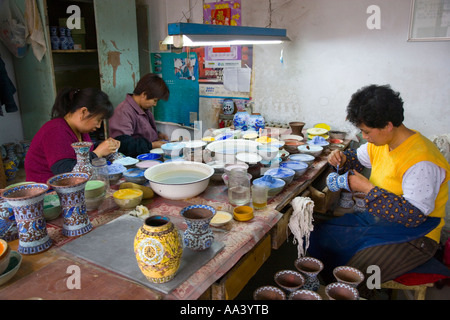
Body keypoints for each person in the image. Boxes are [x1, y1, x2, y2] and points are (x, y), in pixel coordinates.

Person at [308, 84, 450, 296]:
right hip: (379, 221)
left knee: (355, 272)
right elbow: (356, 159)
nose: (365, 137)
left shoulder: (422, 161)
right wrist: (343, 158)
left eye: (366, 131)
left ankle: (364, 293)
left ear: (388, 125)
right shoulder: (382, 142)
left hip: (416, 236)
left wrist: (368, 189)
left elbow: (413, 217)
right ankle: (346, 289)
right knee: (318, 237)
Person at [25, 87, 120, 183]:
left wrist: (105, 148)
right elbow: (65, 173)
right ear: (84, 112)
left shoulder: (80, 131)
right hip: (48, 190)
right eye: (98, 120)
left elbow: (84, 154)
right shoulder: (55, 130)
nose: (99, 125)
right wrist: (98, 153)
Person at [108, 73, 170, 157]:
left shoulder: (143, 109)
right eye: (155, 100)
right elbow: (123, 145)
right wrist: (152, 145)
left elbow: (141, 132)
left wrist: (157, 135)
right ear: (144, 95)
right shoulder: (123, 111)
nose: (155, 104)